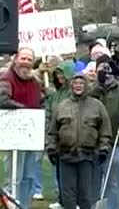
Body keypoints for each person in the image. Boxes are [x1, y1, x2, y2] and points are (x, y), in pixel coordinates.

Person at [46, 73, 112, 209]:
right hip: (65, 156)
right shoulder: (62, 106)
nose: (78, 86)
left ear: (86, 86)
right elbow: (52, 131)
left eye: (81, 83)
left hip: (88, 157)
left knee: (86, 195)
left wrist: (103, 149)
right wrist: (51, 148)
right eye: (75, 83)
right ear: (71, 86)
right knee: (67, 196)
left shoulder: (97, 106)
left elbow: (105, 131)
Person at [0, 47, 44, 209]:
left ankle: (24, 206)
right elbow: (1, 100)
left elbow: (42, 99)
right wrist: (24, 110)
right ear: (16, 59)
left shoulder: (34, 81)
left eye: (30, 59)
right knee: (14, 176)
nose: (26, 62)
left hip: (32, 134)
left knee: (29, 176)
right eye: (23, 58)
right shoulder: (7, 78)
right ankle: (10, 206)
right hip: (14, 134)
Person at [89, 54, 119, 209]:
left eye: (109, 69)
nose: (106, 73)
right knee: (93, 180)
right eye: (102, 70)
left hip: (117, 141)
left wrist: (117, 72)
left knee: (114, 181)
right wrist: (98, 85)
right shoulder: (91, 89)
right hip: (93, 142)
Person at [45, 60, 76, 209]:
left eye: (62, 73)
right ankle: (62, 199)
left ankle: (74, 200)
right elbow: (49, 113)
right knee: (59, 171)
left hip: (71, 137)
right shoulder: (55, 94)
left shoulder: (73, 93)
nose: (59, 76)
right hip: (56, 137)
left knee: (72, 172)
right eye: (57, 73)